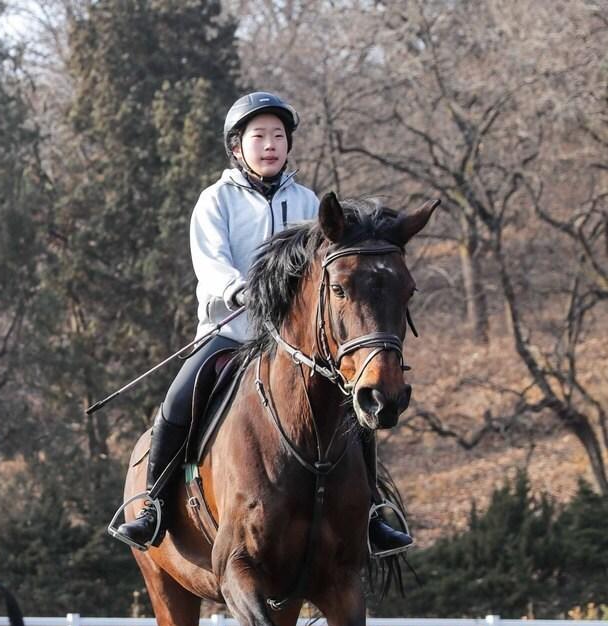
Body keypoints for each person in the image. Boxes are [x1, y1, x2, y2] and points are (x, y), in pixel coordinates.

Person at [113, 91, 414, 556]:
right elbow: (209, 264)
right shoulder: (214, 201)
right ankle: (152, 503)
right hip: (231, 333)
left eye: (278, 136)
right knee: (178, 400)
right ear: (237, 147)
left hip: (295, 344)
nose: (270, 144)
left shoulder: (308, 201)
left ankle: (371, 513)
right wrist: (238, 289)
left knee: (355, 409)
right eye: (259, 137)